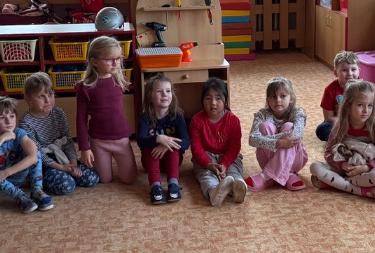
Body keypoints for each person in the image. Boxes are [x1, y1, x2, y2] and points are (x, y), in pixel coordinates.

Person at [20, 72, 97, 195]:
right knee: (67, 185)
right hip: (44, 164)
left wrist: (73, 163)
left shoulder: (59, 113)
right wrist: (61, 168)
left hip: (63, 157)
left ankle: (66, 173)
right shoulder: (26, 122)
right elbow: (37, 152)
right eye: (41, 96)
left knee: (92, 179)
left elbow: (67, 141)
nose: (47, 100)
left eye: (50, 94)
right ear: (29, 99)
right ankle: (38, 179)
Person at [76, 36, 136, 185]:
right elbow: (81, 120)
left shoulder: (120, 80)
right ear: (94, 61)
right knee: (105, 179)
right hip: (98, 141)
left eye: (118, 58)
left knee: (129, 179)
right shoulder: (85, 87)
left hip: (121, 139)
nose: (115, 63)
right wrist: (84, 148)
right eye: (109, 59)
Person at [0, 96, 52, 214]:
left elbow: (33, 157)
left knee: (35, 151)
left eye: (12, 116)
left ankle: (37, 190)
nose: (9, 121)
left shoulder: (19, 133)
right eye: (2, 118)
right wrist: (1, 139)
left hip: (14, 175)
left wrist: (6, 172)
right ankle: (19, 196)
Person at [310, 80, 375, 199]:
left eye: (370, 105)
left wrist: (366, 167)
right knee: (315, 167)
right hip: (343, 168)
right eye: (360, 105)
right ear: (348, 106)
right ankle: (365, 191)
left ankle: (336, 183)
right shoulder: (340, 126)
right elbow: (328, 153)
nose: (366, 110)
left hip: (364, 170)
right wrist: (342, 165)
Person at [189, 78, 247, 207]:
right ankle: (213, 192)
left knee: (233, 171)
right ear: (202, 100)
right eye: (208, 98)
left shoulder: (233, 120)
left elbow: (234, 147)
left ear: (225, 100)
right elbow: (196, 147)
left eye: (218, 98)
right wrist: (209, 164)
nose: (213, 103)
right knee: (206, 175)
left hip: (228, 156)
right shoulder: (196, 121)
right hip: (206, 156)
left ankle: (237, 187)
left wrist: (224, 164)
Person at [246, 76, 307, 191]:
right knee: (265, 126)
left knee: (289, 126)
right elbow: (252, 139)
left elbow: (296, 135)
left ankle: (267, 176)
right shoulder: (261, 114)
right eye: (273, 97)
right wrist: (279, 142)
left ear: (291, 98)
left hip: (295, 161)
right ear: (268, 100)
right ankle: (286, 175)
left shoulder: (298, 113)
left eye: (283, 96)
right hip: (266, 159)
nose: (278, 100)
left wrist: (270, 140)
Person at [136, 74, 190, 204]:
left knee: (173, 148)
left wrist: (167, 144)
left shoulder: (177, 116)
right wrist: (158, 138)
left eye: (168, 91)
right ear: (150, 96)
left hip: (172, 162)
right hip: (150, 161)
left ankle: (173, 184)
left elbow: (187, 142)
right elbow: (140, 141)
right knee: (150, 147)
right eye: (159, 91)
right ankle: (155, 187)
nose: (165, 94)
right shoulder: (145, 118)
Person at [316, 51, 360, 142]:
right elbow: (328, 117)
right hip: (339, 122)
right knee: (322, 130)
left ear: (359, 70)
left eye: (353, 69)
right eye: (344, 70)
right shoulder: (330, 90)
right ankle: (349, 137)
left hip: (360, 122)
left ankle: (349, 137)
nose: (350, 73)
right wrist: (346, 124)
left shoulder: (364, 88)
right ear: (336, 72)